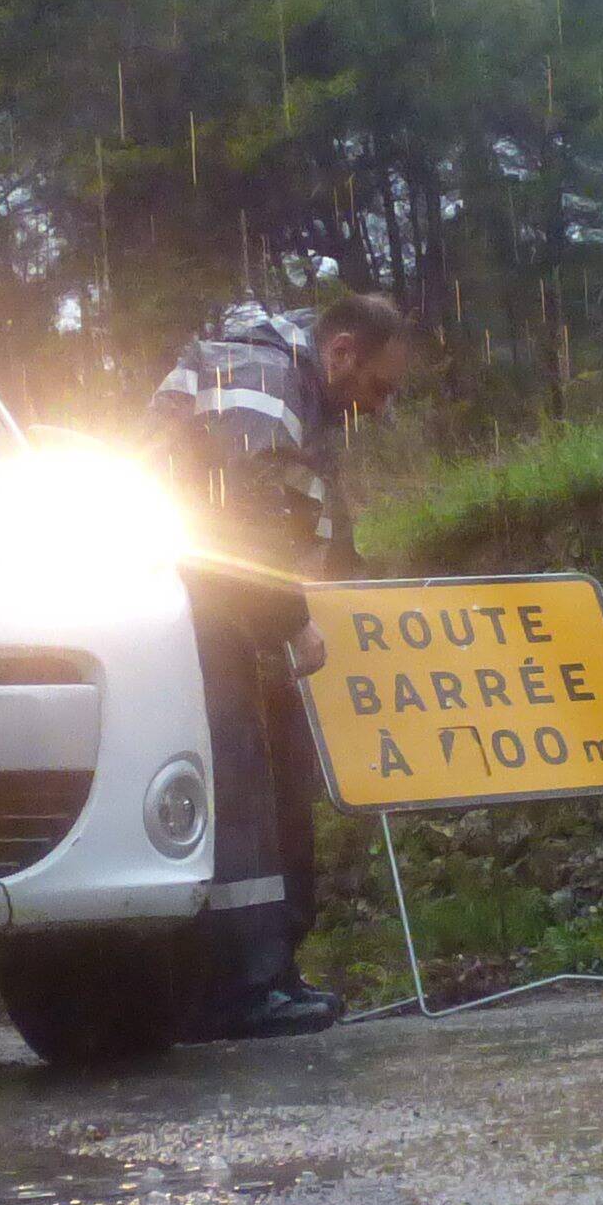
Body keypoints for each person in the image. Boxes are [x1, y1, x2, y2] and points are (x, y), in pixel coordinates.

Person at [145, 290, 415, 1037]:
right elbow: (247, 511)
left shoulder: (293, 394)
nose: (382, 408)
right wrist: (294, 623)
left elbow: (308, 521)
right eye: (379, 388)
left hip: (228, 609)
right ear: (342, 353)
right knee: (241, 789)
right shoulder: (260, 382)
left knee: (274, 784)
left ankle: (268, 974)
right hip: (198, 613)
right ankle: (233, 988)